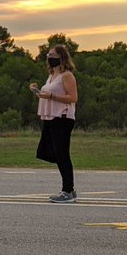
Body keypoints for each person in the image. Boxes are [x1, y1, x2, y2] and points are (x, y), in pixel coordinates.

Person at [31, 44, 79, 203]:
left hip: (62, 117)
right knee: (51, 152)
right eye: (48, 55)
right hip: (50, 117)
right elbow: (49, 94)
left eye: (52, 55)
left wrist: (52, 96)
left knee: (62, 154)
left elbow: (73, 97)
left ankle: (68, 190)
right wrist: (39, 92)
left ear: (61, 57)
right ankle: (69, 189)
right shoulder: (52, 75)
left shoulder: (67, 75)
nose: (49, 58)